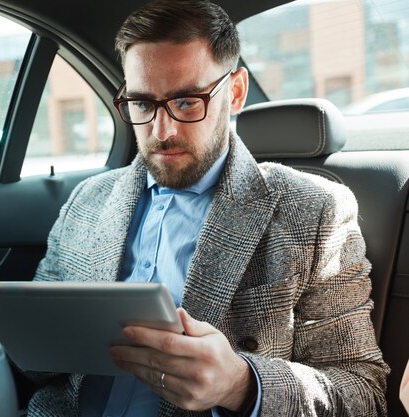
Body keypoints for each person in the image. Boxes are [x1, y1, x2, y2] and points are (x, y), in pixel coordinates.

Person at [27, 0, 389, 416]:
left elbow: (364, 393)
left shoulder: (316, 212)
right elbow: (36, 361)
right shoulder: (87, 202)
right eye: (143, 104)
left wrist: (241, 384)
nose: (162, 132)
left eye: (186, 102)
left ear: (234, 92)